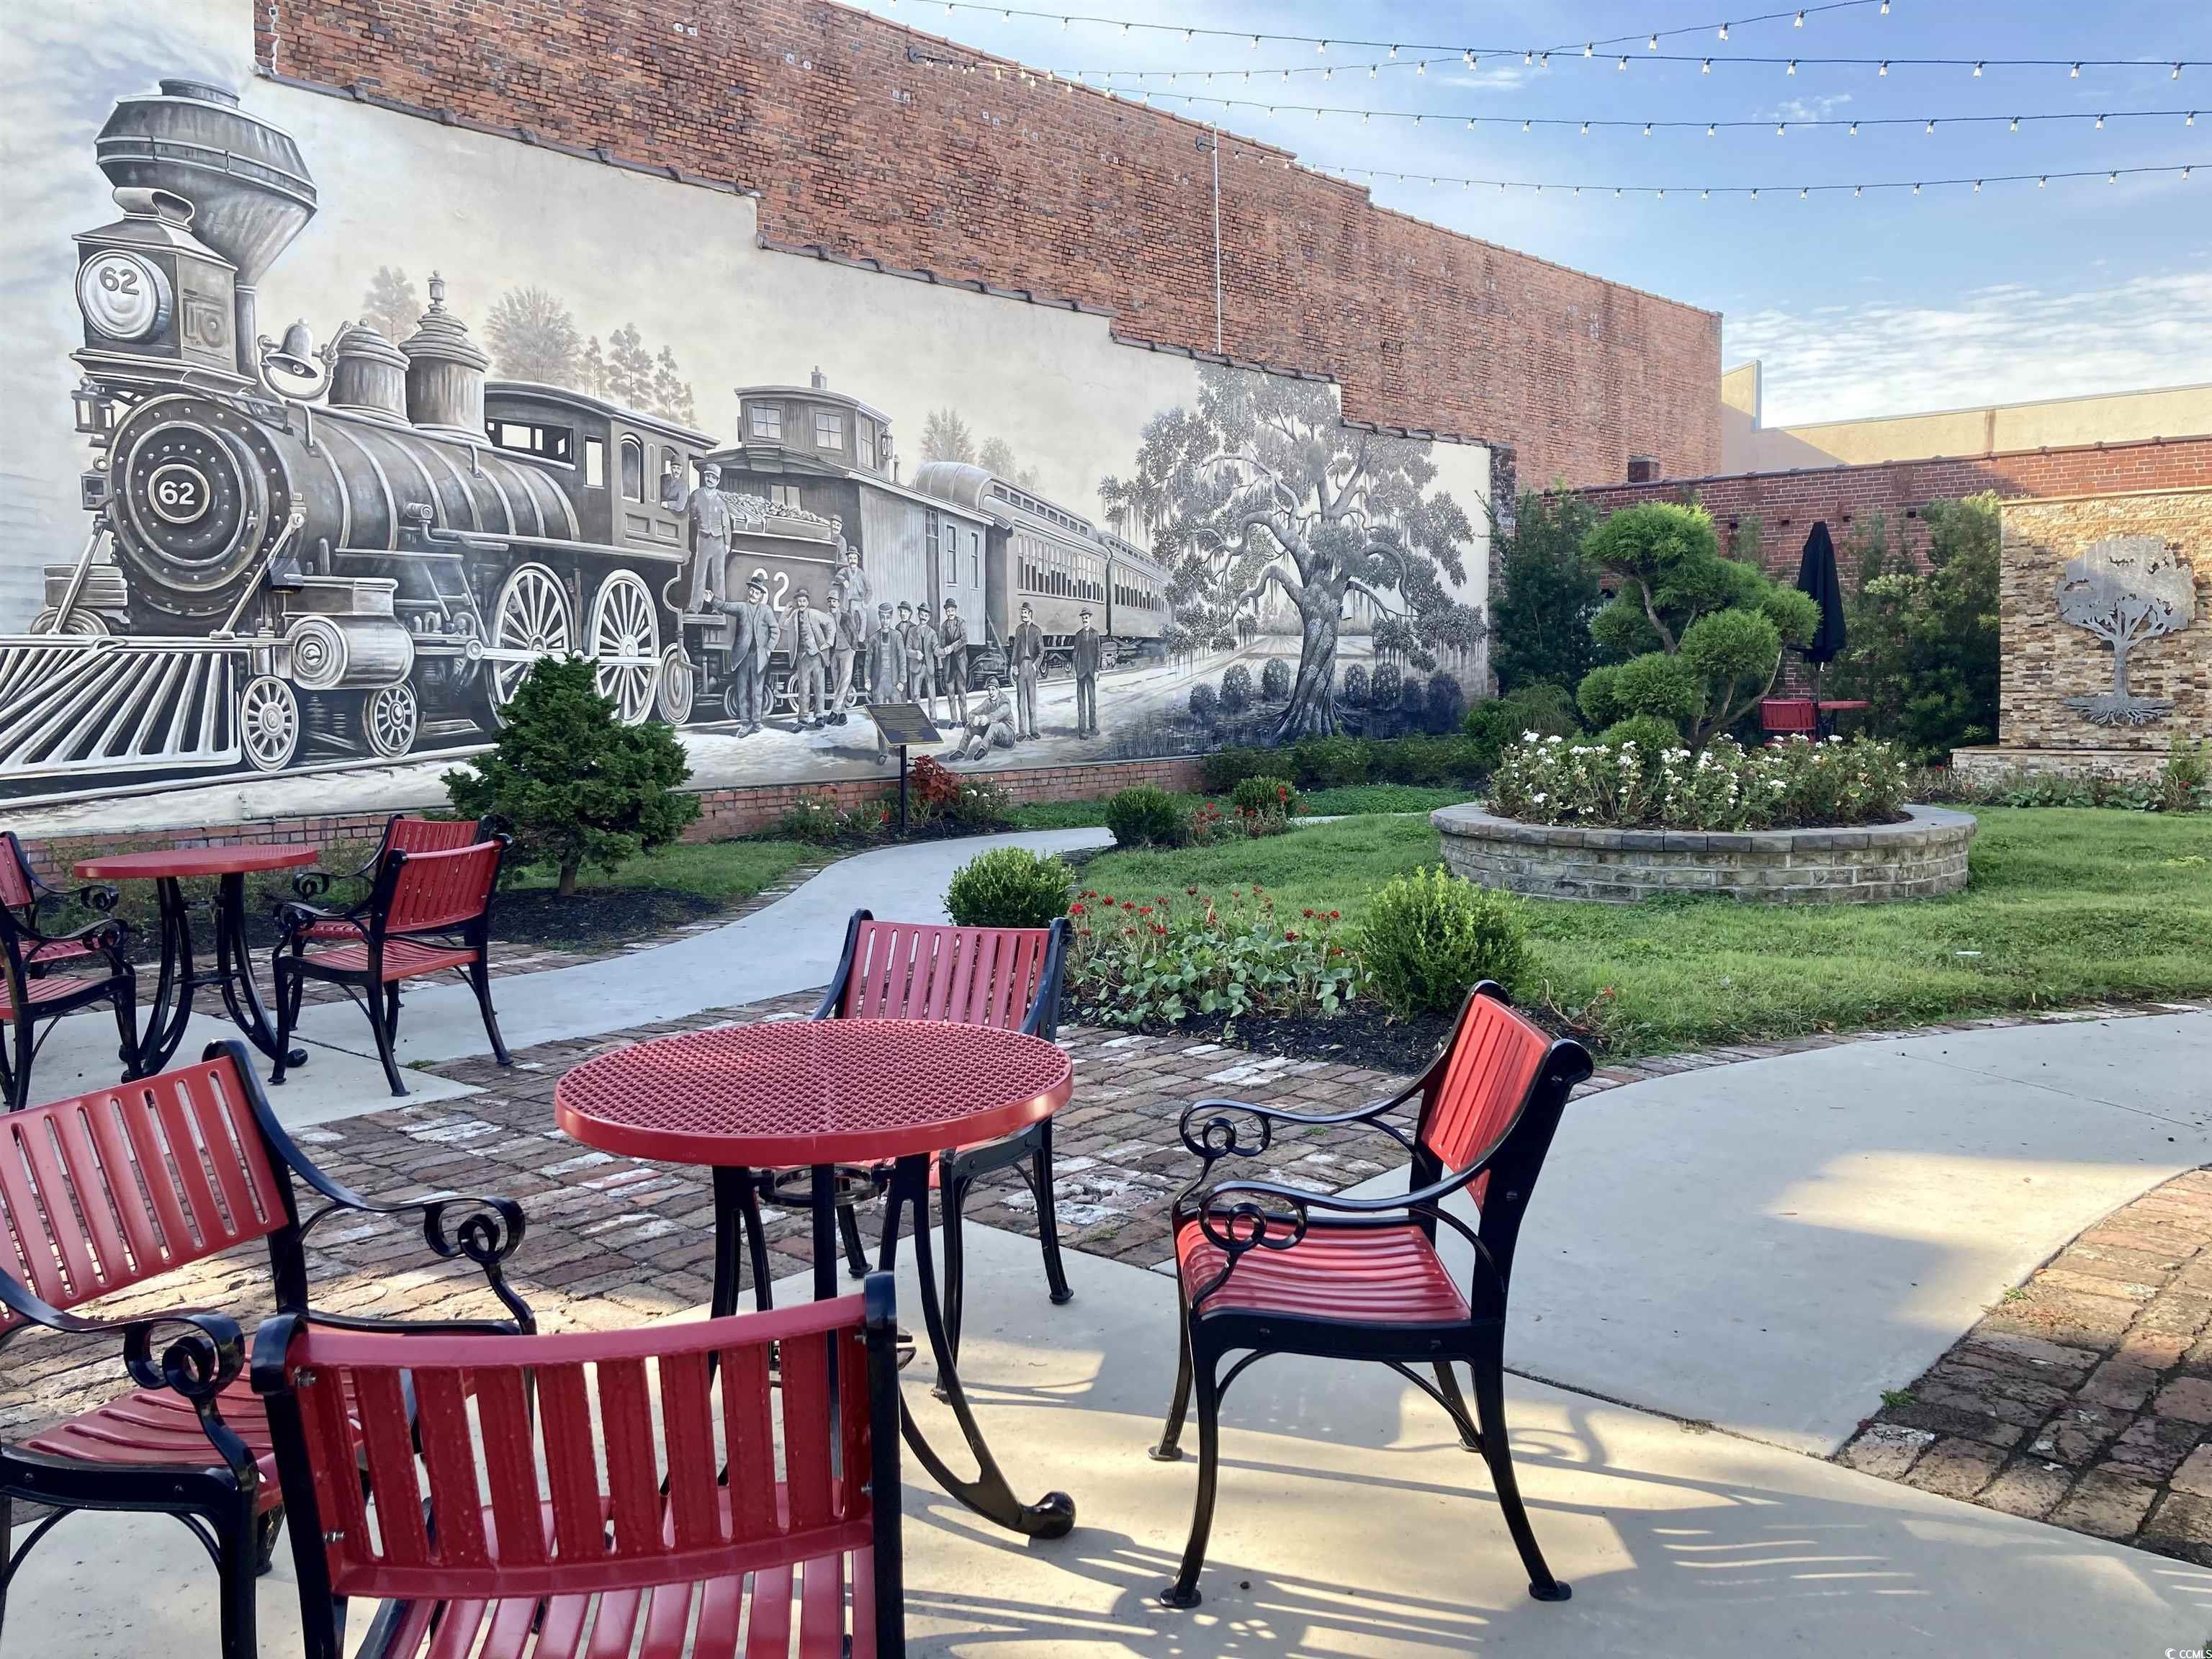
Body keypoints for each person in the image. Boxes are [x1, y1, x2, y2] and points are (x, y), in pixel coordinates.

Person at [706, 570, 781, 734]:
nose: (753, 594)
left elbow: (776, 631)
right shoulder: (742, 607)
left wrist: (769, 649)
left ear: (761, 596)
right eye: (751, 591)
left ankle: (757, 721)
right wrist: (712, 600)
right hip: (743, 657)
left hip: (760, 657)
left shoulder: (766, 611)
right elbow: (726, 606)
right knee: (743, 690)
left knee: (758, 690)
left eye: (757, 592)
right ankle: (745, 722)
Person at [680, 462, 734, 615]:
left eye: (714, 478)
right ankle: (694, 607)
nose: (710, 480)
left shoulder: (721, 500)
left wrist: (727, 543)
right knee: (699, 572)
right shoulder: (696, 495)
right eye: (708, 476)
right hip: (703, 539)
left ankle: (718, 608)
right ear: (705, 478)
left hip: (719, 541)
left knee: (719, 576)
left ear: (718, 481)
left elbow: (726, 524)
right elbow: (691, 514)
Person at [787, 588, 836, 728]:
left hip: (816, 655)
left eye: (804, 601)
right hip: (802, 657)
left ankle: (819, 716)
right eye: (799, 601)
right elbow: (783, 625)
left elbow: (830, 622)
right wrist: (786, 612)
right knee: (803, 688)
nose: (801, 603)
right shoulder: (794, 615)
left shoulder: (814, 614)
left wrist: (829, 642)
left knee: (819, 686)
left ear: (807, 602)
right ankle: (803, 719)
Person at [942, 673, 1016, 762]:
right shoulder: (988, 702)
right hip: (995, 738)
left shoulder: (1005, 701)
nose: (991, 693)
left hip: (1008, 737)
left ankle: (983, 749)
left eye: (993, 689)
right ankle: (961, 751)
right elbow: (973, 712)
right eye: (989, 690)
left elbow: (1000, 712)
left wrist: (988, 718)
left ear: (998, 689)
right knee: (970, 727)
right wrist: (974, 719)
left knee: (994, 726)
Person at [1010, 599, 1044, 741]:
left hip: (1031, 666)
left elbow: (1042, 651)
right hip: (1021, 666)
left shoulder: (1037, 630)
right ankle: (1023, 732)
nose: (1023, 615)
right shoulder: (1019, 630)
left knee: (1032, 701)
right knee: (1020, 701)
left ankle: (1034, 730)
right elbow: (1015, 648)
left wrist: (1036, 665)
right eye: (1022, 612)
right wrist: (1014, 665)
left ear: (1030, 614)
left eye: (1025, 612)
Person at [937, 598, 969, 726]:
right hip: (949, 665)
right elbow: (942, 646)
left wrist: (952, 647)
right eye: (948, 611)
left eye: (952, 610)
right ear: (946, 612)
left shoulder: (961, 623)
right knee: (950, 694)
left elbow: (964, 639)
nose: (950, 613)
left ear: (955, 611)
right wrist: (942, 662)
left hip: (960, 664)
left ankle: (964, 719)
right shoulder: (943, 626)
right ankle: (954, 720)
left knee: (962, 692)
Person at [1071, 605, 1102, 739]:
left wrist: (1097, 670)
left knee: (1092, 700)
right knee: (1081, 702)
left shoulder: (1096, 634)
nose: (1085, 620)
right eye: (1083, 618)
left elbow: (1099, 653)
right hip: (1081, 673)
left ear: (1090, 619)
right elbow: (1075, 653)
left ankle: (1093, 726)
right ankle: (1082, 730)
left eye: (1087, 618)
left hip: (1091, 672)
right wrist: (1076, 668)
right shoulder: (1078, 635)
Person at [907, 599, 940, 721]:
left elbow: (936, 649)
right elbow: (907, 650)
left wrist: (943, 652)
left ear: (929, 617)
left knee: (932, 696)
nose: (923, 617)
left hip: (929, 668)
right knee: (916, 695)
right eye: (922, 614)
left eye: (926, 615)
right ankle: (917, 720)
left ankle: (933, 719)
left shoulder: (932, 633)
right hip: (916, 668)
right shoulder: (912, 631)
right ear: (918, 615)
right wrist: (915, 654)